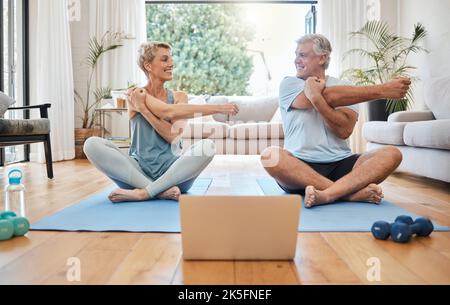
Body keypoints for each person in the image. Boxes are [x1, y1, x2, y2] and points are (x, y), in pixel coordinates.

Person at [261, 34, 409, 208]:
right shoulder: (289, 84)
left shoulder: (346, 86)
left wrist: (317, 99)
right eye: (296, 55)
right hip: (299, 167)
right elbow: (328, 96)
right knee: (270, 155)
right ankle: (348, 194)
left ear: (322, 58)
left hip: (342, 165)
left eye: (302, 55)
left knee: (392, 154)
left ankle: (328, 193)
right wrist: (382, 90)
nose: (296, 60)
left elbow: (344, 130)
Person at [84, 41, 239, 203]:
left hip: (174, 173)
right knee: (91, 144)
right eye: (165, 59)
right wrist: (219, 108)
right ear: (148, 66)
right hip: (138, 172)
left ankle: (144, 193)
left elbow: (172, 135)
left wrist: (144, 110)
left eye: (171, 59)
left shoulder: (179, 97)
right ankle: (158, 191)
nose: (171, 64)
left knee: (208, 147)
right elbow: (167, 112)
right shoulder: (136, 94)